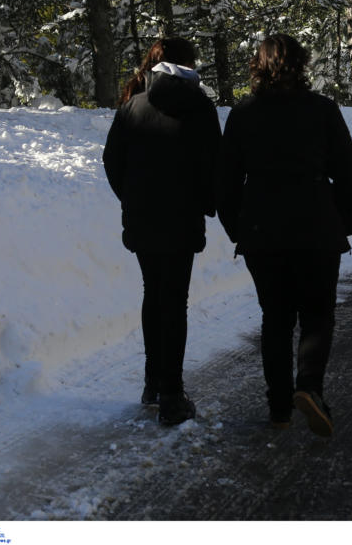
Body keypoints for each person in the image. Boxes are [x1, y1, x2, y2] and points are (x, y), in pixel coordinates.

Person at [216, 34, 352, 436]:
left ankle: (279, 406)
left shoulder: (243, 113)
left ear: (258, 66)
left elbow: (226, 181)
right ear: (301, 65)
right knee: (317, 315)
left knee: (275, 319)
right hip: (316, 224)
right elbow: (348, 170)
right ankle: (309, 388)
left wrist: (237, 227)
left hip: (263, 230)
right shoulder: (322, 110)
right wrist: (344, 218)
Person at [103, 37, 221, 426]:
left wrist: (131, 197)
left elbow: (112, 160)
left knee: (152, 294)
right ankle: (172, 392)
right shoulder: (200, 106)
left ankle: (153, 383)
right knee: (175, 299)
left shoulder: (132, 104)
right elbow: (212, 162)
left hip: (142, 215)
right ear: (188, 66)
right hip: (182, 216)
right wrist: (207, 201)